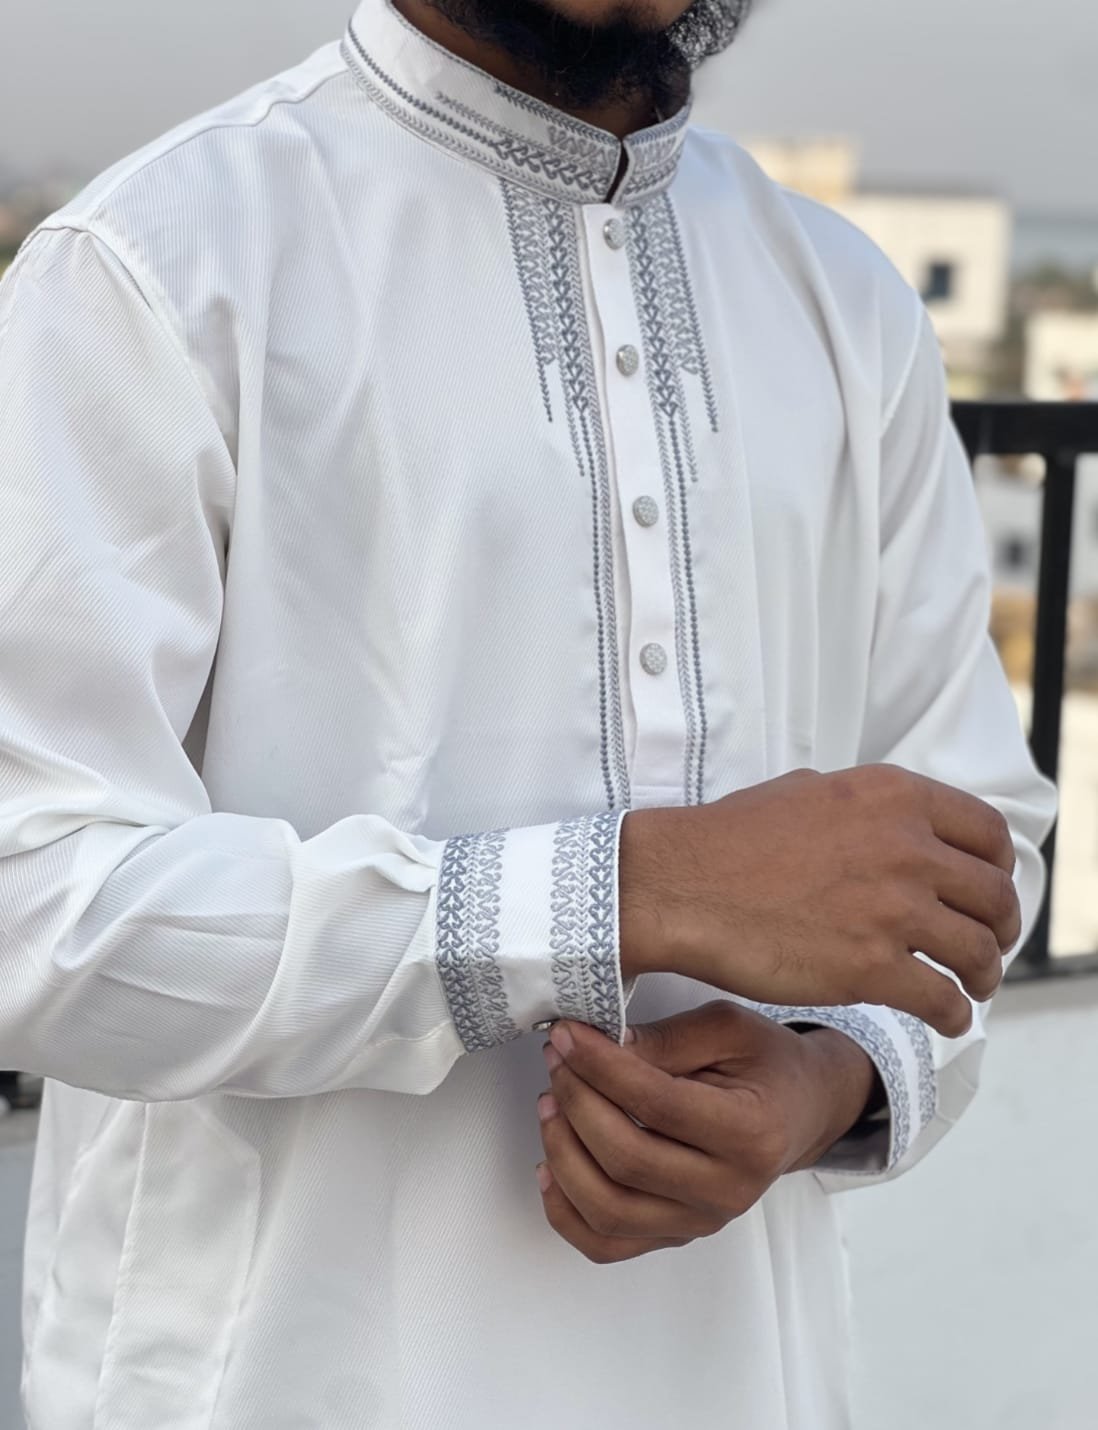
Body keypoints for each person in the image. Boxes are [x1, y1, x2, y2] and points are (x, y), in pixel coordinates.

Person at [0, 1, 1057, 1426]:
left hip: (741, 1373)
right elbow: (31, 900)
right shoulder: (158, 267)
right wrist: (626, 892)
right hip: (280, 1379)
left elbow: (974, 844)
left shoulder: (842, 302)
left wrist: (832, 1080)